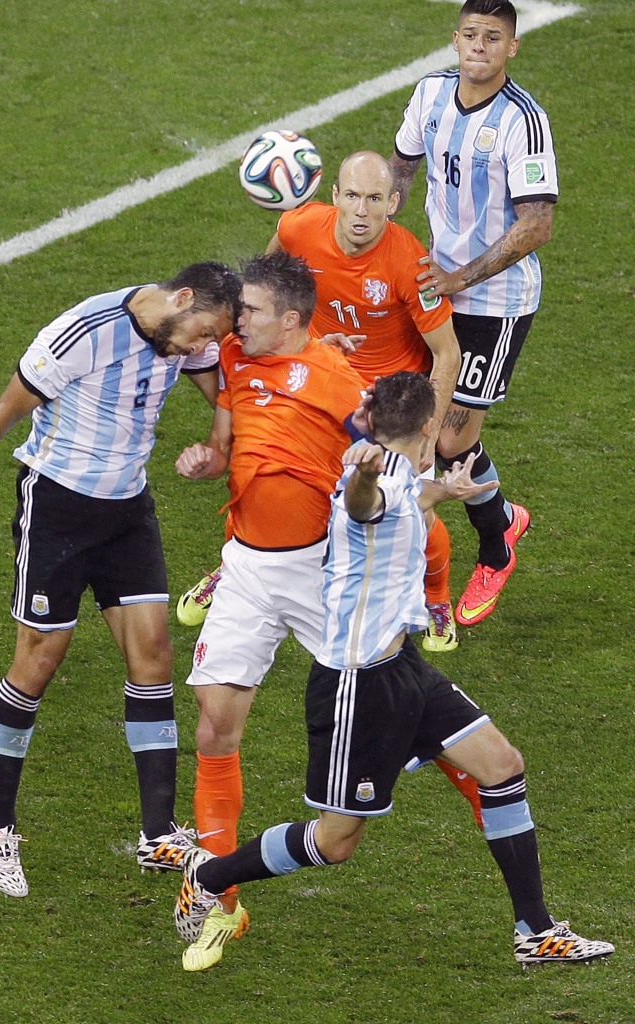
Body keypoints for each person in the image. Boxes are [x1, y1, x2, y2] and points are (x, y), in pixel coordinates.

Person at [174, 372, 614, 970]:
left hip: (402, 667)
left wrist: (446, 491)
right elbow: (367, 507)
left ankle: (535, 932)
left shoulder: (403, 472)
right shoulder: (370, 483)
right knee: (336, 842)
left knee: (503, 766)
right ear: (432, 424)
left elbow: (413, 496)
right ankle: (211, 876)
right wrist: (360, 476)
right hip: (357, 685)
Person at [0, 261, 241, 898]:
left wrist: (226, 437)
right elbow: (7, 407)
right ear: (181, 298)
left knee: (154, 655)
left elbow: (229, 388)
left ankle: (158, 833)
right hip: (57, 507)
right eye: (201, 332)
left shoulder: (185, 333)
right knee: (39, 659)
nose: (201, 347)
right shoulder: (84, 331)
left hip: (128, 511)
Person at [179, 151, 463, 654]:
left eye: (374, 198)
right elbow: (267, 285)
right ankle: (235, 567)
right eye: (351, 195)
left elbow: (447, 353)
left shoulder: (409, 262)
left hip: (385, 404)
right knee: (262, 466)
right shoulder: (299, 227)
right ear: (333, 196)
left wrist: (425, 435)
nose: (360, 210)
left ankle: (436, 596)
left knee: (409, 507)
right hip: (313, 374)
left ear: (393, 203)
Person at [174, 250, 366, 970]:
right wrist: (206, 459)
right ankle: (221, 904)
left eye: (249, 309)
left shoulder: (336, 379)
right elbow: (226, 444)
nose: (235, 319)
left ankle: (487, 778)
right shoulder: (234, 356)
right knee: (215, 726)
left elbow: (391, 457)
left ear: (290, 319)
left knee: (400, 707)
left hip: (320, 574)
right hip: (247, 569)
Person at [389, 0, 555, 626]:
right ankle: (502, 521)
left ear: (512, 48)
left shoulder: (523, 121)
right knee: (413, 415)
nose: (479, 46)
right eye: (470, 35)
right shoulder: (430, 94)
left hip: (496, 298)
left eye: (493, 38)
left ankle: (497, 542)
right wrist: (382, 210)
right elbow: (404, 160)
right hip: (435, 283)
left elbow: (537, 223)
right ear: (455, 38)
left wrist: (462, 275)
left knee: (453, 437)